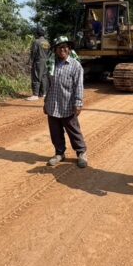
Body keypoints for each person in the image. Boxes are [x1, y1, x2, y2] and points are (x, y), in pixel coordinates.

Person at [44, 36, 88, 168]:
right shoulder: (51, 64)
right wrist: (45, 102)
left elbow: (79, 86)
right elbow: (48, 86)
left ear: (69, 49)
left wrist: (78, 103)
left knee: (73, 130)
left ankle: (81, 153)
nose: (62, 50)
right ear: (56, 50)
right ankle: (59, 153)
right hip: (53, 104)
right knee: (55, 131)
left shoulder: (75, 65)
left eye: (64, 47)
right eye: (59, 48)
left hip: (68, 105)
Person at [27, 27, 49, 101]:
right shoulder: (47, 42)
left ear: (37, 34)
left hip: (38, 61)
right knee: (44, 77)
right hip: (46, 61)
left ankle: (35, 94)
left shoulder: (36, 42)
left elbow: (33, 52)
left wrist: (30, 62)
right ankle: (43, 93)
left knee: (36, 76)